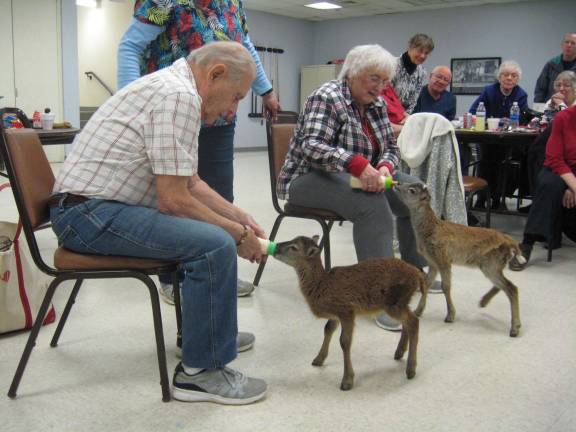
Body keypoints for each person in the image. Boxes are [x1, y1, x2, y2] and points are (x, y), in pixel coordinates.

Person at [50, 42, 267, 405]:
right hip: (87, 215)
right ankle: (201, 372)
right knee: (214, 245)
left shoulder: (174, 87)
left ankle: (210, 336)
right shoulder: (178, 96)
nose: (232, 110)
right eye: (236, 97)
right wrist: (237, 234)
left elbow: (191, 182)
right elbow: (173, 199)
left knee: (215, 234)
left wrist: (238, 215)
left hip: (88, 210)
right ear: (215, 74)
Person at [117, 0, 281, 301]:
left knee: (218, 195)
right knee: (172, 195)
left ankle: (216, 273)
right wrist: (132, 103)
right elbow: (130, 47)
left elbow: (244, 49)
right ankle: (172, 276)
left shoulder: (232, 4)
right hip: (172, 108)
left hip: (217, 117)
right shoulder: (163, 2)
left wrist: (266, 91)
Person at [276, 44, 426, 332]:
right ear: (353, 73)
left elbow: (391, 148)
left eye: (384, 81)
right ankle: (382, 294)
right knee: (371, 205)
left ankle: (412, 270)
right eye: (374, 79)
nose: (380, 88)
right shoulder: (326, 97)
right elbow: (313, 147)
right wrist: (357, 164)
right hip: (306, 178)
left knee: (414, 192)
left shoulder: (378, 104)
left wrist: (385, 167)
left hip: (354, 175)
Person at [509, 105, 576, 270]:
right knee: (549, 185)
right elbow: (554, 159)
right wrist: (574, 186)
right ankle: (526, 244)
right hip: (557, 167)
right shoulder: (564, 117)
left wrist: (571, 188)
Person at [469, 60, 529, 209]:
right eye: (506, 75)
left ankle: (497, 198)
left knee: (505, 164)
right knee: (486, 161)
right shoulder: (489, 90)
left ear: (518, 79)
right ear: (499, 77)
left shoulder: (521, 94)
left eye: (513, 76)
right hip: (488, 138)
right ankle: (481, 198)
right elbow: (474, 110)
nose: (509, 78)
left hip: (510, 140)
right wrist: (491, 120)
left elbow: (524, 118)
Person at [391, 33, 434, 114]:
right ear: (410, 47)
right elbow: (386, 96)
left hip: (405, 117)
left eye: (426, 53)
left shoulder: (421, 72)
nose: (422, 56)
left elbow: (414, 99)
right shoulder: (392, 65)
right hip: (388, 114)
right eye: (420, 51)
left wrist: (406, 116)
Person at [534, 32, 576, 103]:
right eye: (566, 42)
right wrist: (538, 107)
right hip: (551, 107)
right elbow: (540, 89)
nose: (569, 45)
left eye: (573, 43)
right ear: (562, 45)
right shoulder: (551, 64)